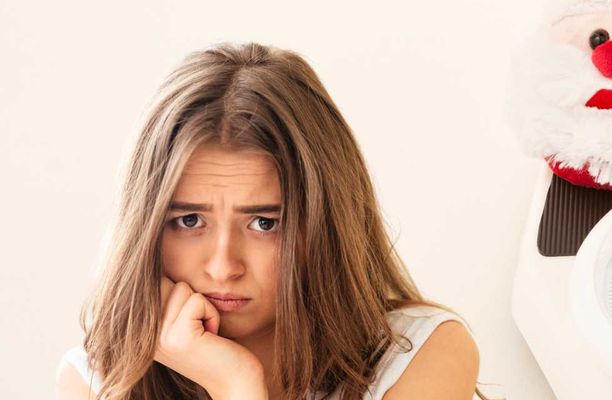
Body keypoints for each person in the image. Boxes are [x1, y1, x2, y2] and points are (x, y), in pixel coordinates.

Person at [54, 42, 480, 400]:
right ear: (144, 229)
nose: (222, 266)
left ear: (326, 224)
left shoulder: (418, 355)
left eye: (263, 223)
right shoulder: (98, 382)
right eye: (188, 220)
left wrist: (235, 384)